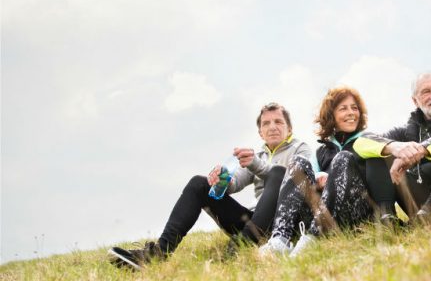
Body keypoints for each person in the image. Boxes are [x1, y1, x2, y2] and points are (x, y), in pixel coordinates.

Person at [108, 103, 312, 270]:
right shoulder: (256, 156)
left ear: (289, 129)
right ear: (260, 132)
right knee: (199, 183)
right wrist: (221, 180)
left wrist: (255, 164)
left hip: (283, 224)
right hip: (253, 222)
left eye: (278, 121)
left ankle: (242, 245)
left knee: (277, 173)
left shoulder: (300, 148)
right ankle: (159, 253)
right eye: (266, 123)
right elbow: (234, 184)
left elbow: (293, 178)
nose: (272, 126)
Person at [259, 85, 377, 257]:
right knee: (298, 162)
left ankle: (313, 239)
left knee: (343, 158)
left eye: (354, 108)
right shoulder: (320, 152)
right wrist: (319, 177)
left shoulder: (368, 140)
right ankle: (280, 239)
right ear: (331, 116)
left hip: (357, 212)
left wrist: (338, 175)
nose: (351, 113)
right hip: (323, 214)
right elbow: (308, 181)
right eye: (343, 108)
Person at [353, 72, 431, 220]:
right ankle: (387, 218)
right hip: (419, 200)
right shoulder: (408, 131)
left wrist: (423, 149)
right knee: (378, 151)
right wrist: (394, 147)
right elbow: (360, 143)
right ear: (415, 101)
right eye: (426, 92)